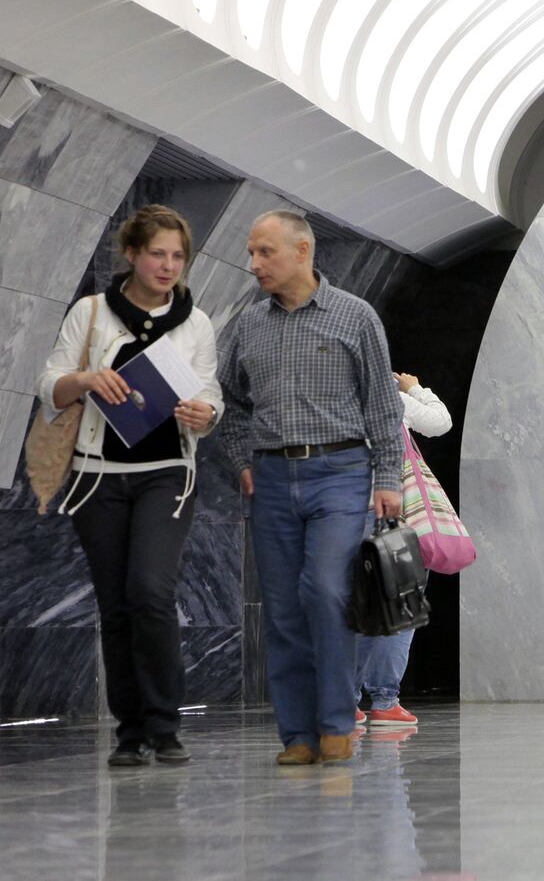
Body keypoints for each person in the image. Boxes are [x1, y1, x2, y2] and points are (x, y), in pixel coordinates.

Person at [36, 205, 222, 766]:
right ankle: (130, 731)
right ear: (133, 255)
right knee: (116, 605)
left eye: (177, 256)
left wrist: (203, 414)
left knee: (150, 591)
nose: (168, 266)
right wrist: (86, 378)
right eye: (157, 254)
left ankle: (165, 726)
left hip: (167, 476)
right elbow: (50, 384)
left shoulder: (196, 322)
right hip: (98, 478)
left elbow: (211, 393)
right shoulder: (91, 313)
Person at [218, 210, 404, 765]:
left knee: (326, 591)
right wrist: (240, 461)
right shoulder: (249, 325)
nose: (254, 265)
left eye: (264, 252)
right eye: (251, 253)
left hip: (341, 474)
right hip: (272, 478)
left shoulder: (356, 317)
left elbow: (382, 405)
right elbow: (230, 403)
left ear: (303, 251)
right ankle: (297, 736)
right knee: (281, 610)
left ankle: (336, 724)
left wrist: (388, 479)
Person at [354, 371, 452, 728]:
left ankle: (344, 701)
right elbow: (439, 422)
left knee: (352, 606)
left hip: (339, 512)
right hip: (391, 512)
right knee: (399, 606)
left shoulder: (326, 397)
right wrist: (414, 387)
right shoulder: (388, 396)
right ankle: (384, 700)